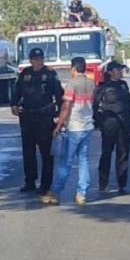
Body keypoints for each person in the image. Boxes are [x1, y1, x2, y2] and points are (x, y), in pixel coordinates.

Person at [42, 57, 95, 205]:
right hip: (87, 126)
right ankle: (81, 194)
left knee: (66, 162)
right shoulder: (91, 83)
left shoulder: (72, 84)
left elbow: (66, 106)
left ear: (73, 68)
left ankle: (55, 192)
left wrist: (59, 125)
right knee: (83, 160)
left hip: (74, 127)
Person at [11, 47, 63, 193]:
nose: (38, 61)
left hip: (44, 117)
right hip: (27, 117)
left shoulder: (50, 73)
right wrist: (13, 103)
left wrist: (59, 114)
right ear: (31, 60)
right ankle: (30, 182)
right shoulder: (25, 73)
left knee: (46, 152)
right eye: (35, 59)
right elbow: (17, 91)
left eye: (40, 59)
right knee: (28, 151)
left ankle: (45, 185)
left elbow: (59, 94)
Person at [92, 61, 130, 194]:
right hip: (109, 124)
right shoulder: (102, 87)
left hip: (124, 124)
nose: (120, 72)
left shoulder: (124, 85)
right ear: (110, 72)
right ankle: (103, 183)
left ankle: (122, 184)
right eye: (117, 70)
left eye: (121, 70)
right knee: (107, 153)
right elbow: (95, 106)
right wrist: (100, 122)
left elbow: (128, 103)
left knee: (123, 154)